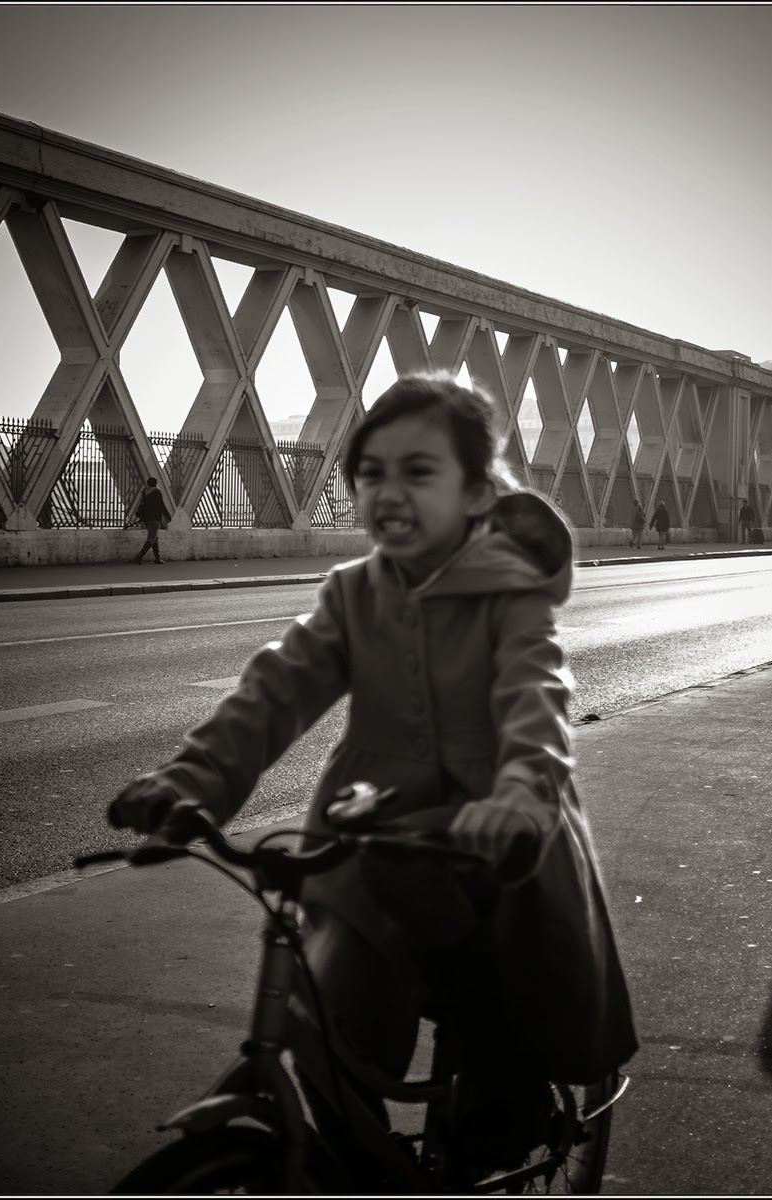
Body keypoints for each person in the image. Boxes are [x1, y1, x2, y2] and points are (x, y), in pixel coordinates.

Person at [108, 373, 638, 1180]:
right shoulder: (353, 594)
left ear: (475, 491)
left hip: (489, 837)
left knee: (490, 1002)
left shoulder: (510, 594)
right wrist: (190, 781)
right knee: (332, 1012)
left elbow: (536, 698)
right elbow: (275, 691)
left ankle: (508, 1093)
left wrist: (520, 796)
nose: (388, 492)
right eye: (370, 473)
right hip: (373, 832)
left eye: (418, 472)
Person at [133, 477, 171, 564]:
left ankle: (157, 558)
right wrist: (167, 516)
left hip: (145, 519)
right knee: (151, 538)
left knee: (155, 537)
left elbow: (142, 504)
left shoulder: (144, 492)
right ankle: (139, 556)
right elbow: (161, 505)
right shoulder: (157, 492)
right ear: (155, 484)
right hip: (154, 518)